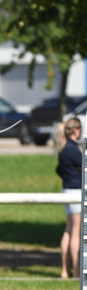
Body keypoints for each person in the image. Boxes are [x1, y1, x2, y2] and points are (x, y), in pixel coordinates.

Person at [56, 116, 82, 279]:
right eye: (79, 127)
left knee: (68, 230)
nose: (81, 131)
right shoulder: (73, 149)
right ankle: (77, 272)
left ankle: (65, 270)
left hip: (66, 191)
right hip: (75, 192)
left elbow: (59, 170)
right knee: (76, 232)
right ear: (74, 130)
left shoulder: (64, 148)